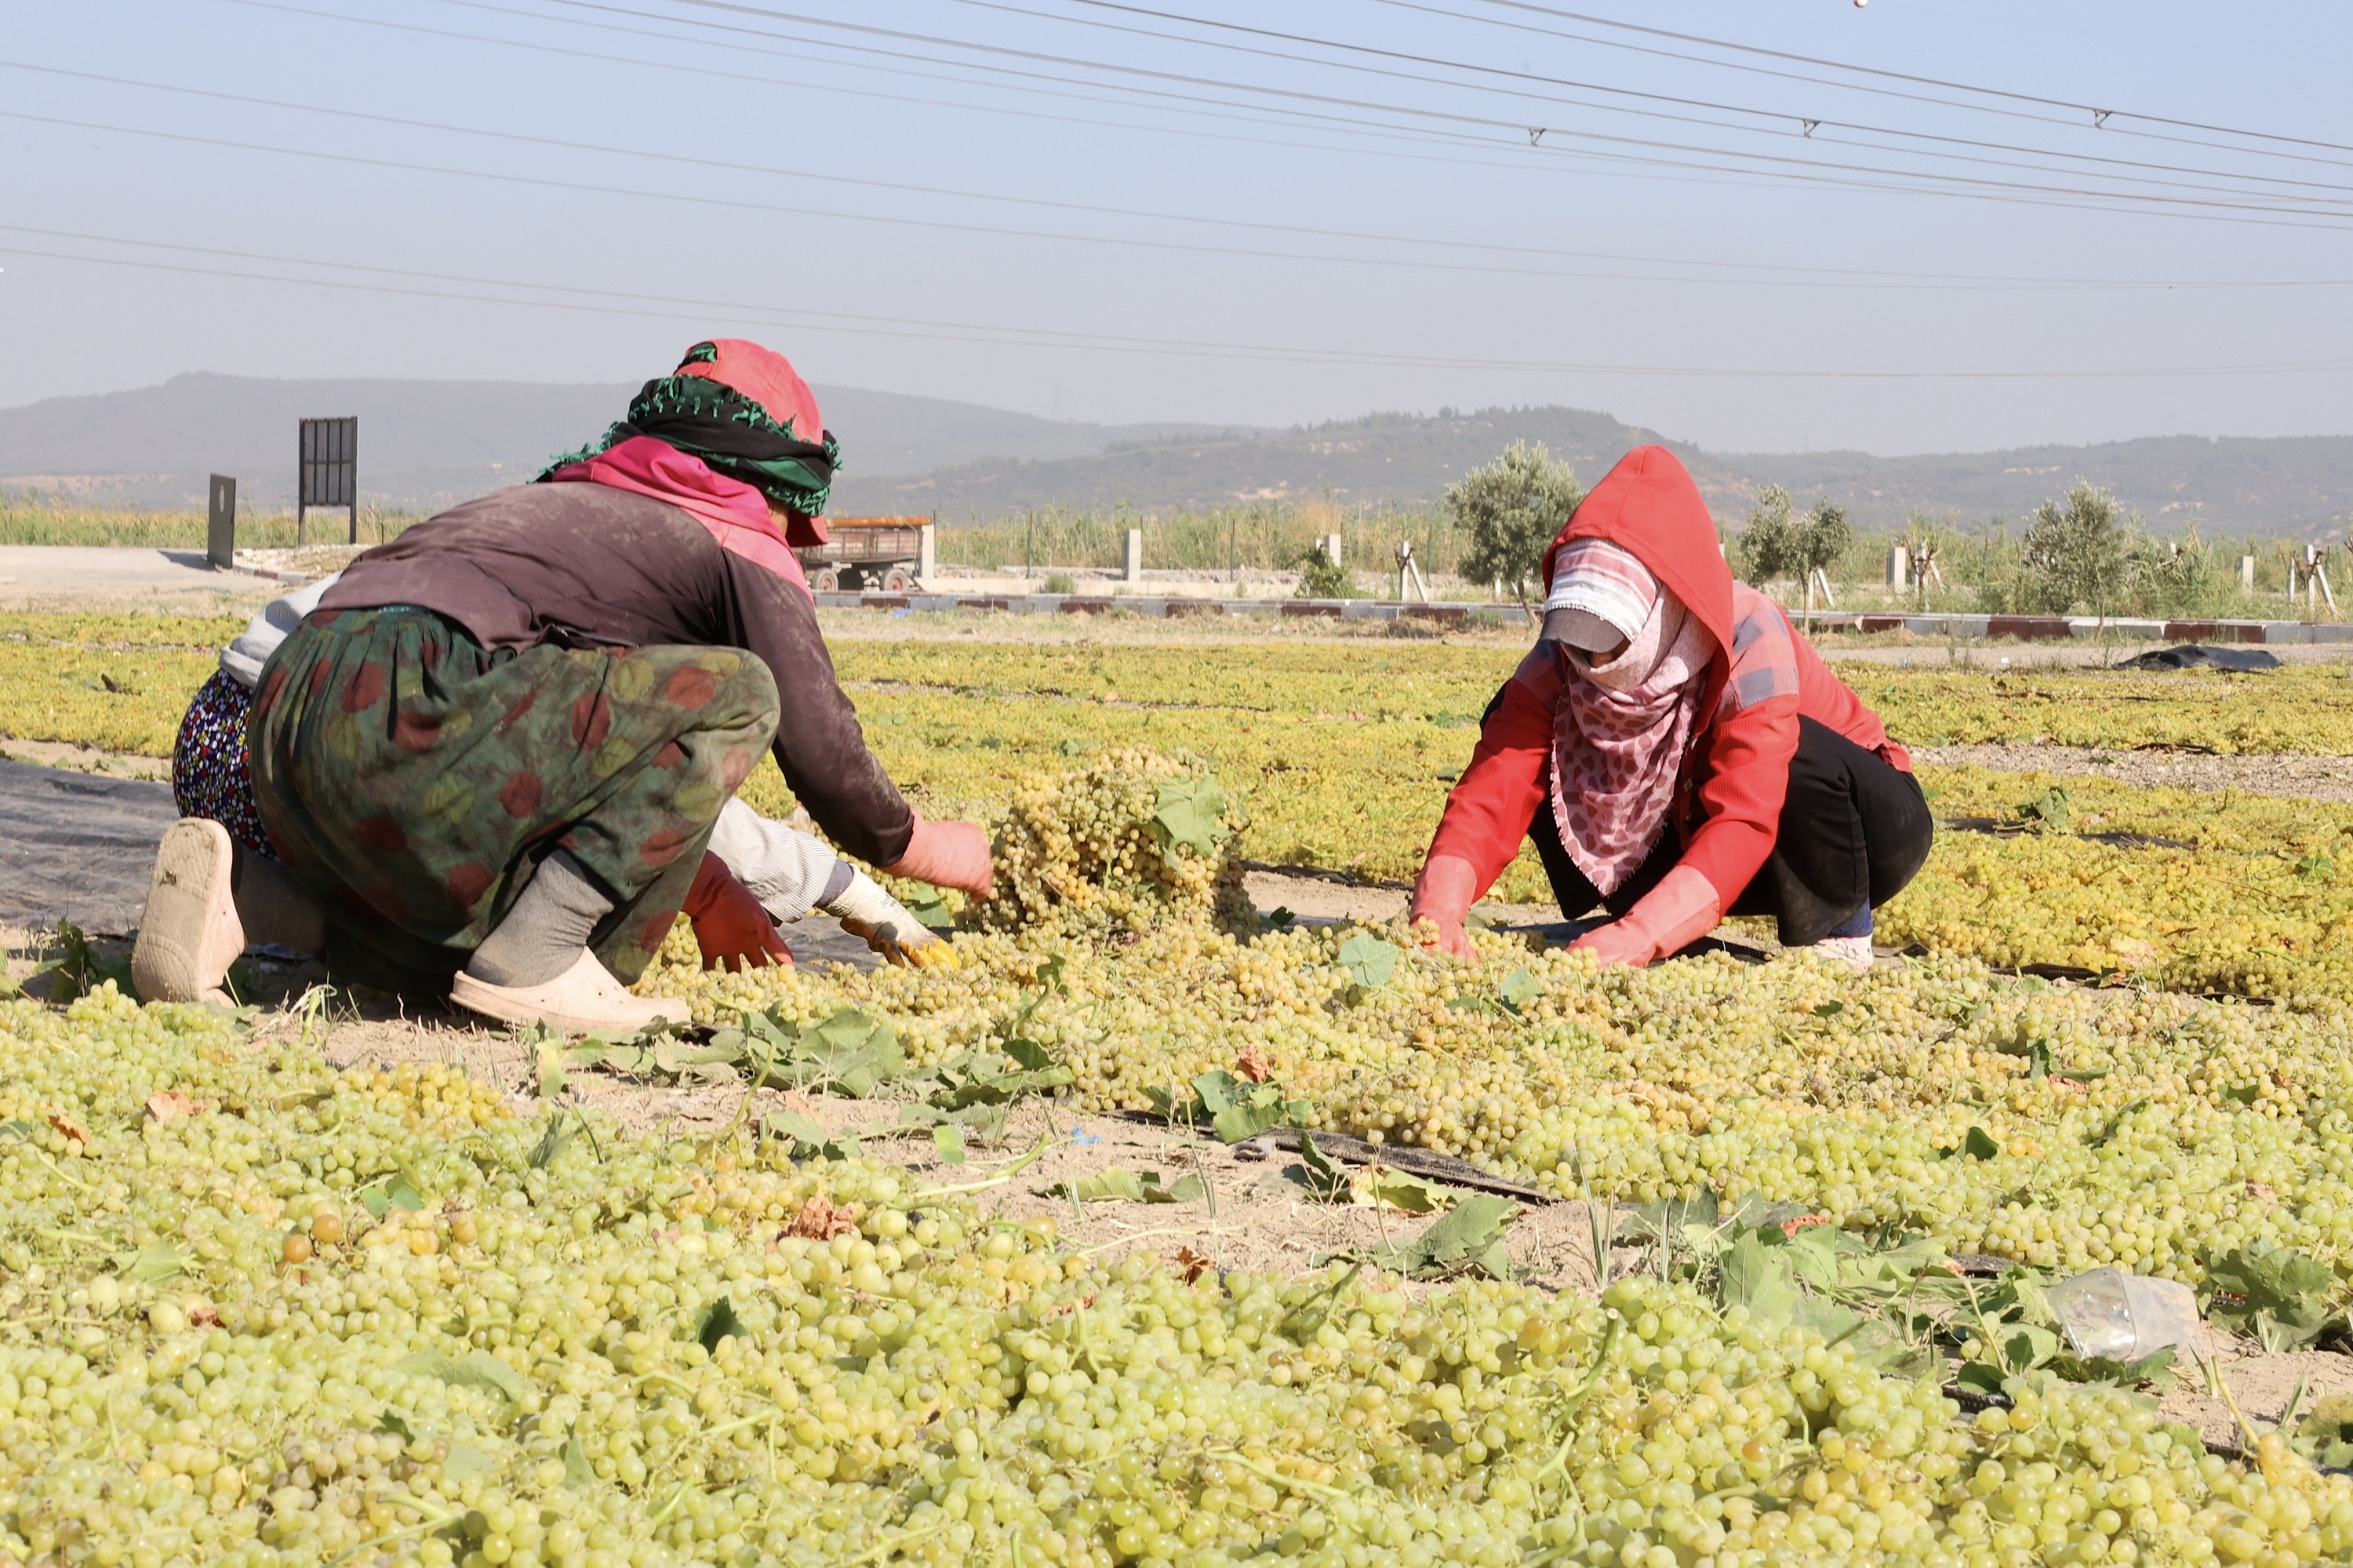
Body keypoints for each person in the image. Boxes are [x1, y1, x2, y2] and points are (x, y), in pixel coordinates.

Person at [134, 339, 989, 1030]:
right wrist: (929, 849)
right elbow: (818, 752)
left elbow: (599, 764)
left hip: (283, 726)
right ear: (779, 484)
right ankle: (539, 959)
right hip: (413, 702)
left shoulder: (558, 500)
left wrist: (717, 886)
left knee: (449, 959)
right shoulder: (734, 533)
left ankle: (249, 895)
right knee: (743, 694)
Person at [134, 573, 950, 1009]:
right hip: (329, 759)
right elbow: (671, 788)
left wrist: (845, 890)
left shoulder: (547, 545)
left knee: (488, 837)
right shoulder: (625, 623)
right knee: (516, 927)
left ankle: (244, 888)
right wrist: (724, 890)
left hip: (223, 747)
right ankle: (267, 899)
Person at [1406, 445, 1931, 971]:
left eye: (1607, 639)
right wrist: (1439, 910)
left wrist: (1639, 937)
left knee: (1794, 748)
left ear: (1661, 608)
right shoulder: (1562, 660)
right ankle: (1658, 912)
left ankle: (1843, 925)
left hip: (1858, 832)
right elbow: (1493, 788)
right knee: (1517, 718)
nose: (1590, 659)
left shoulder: (1749, 633)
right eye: (1577, 638)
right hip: (1698, 825)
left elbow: (1745, 818)